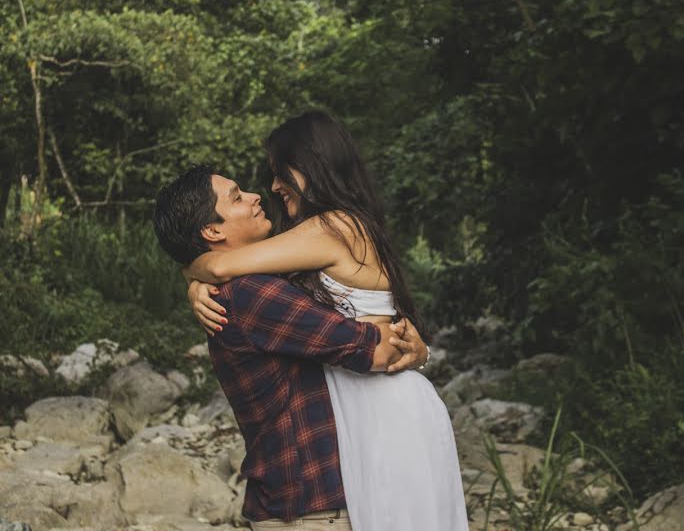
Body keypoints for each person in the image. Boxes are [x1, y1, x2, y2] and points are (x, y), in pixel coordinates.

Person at [184, 111, 470, 531]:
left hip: (385, 411)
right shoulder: (322, 231)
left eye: (281, 172)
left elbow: (222, 266)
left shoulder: (334, 226)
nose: (274, 186)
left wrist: (190, 278)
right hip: (366, 405)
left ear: (313, 166)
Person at [152, 164, 430, 530]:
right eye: (237, 197)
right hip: (310, 507)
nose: (255, 196)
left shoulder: (251, 286)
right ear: (212, 230)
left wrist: (194, 275)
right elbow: (375, 350)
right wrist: (413, 347)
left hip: (302, 501)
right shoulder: (252, 294)